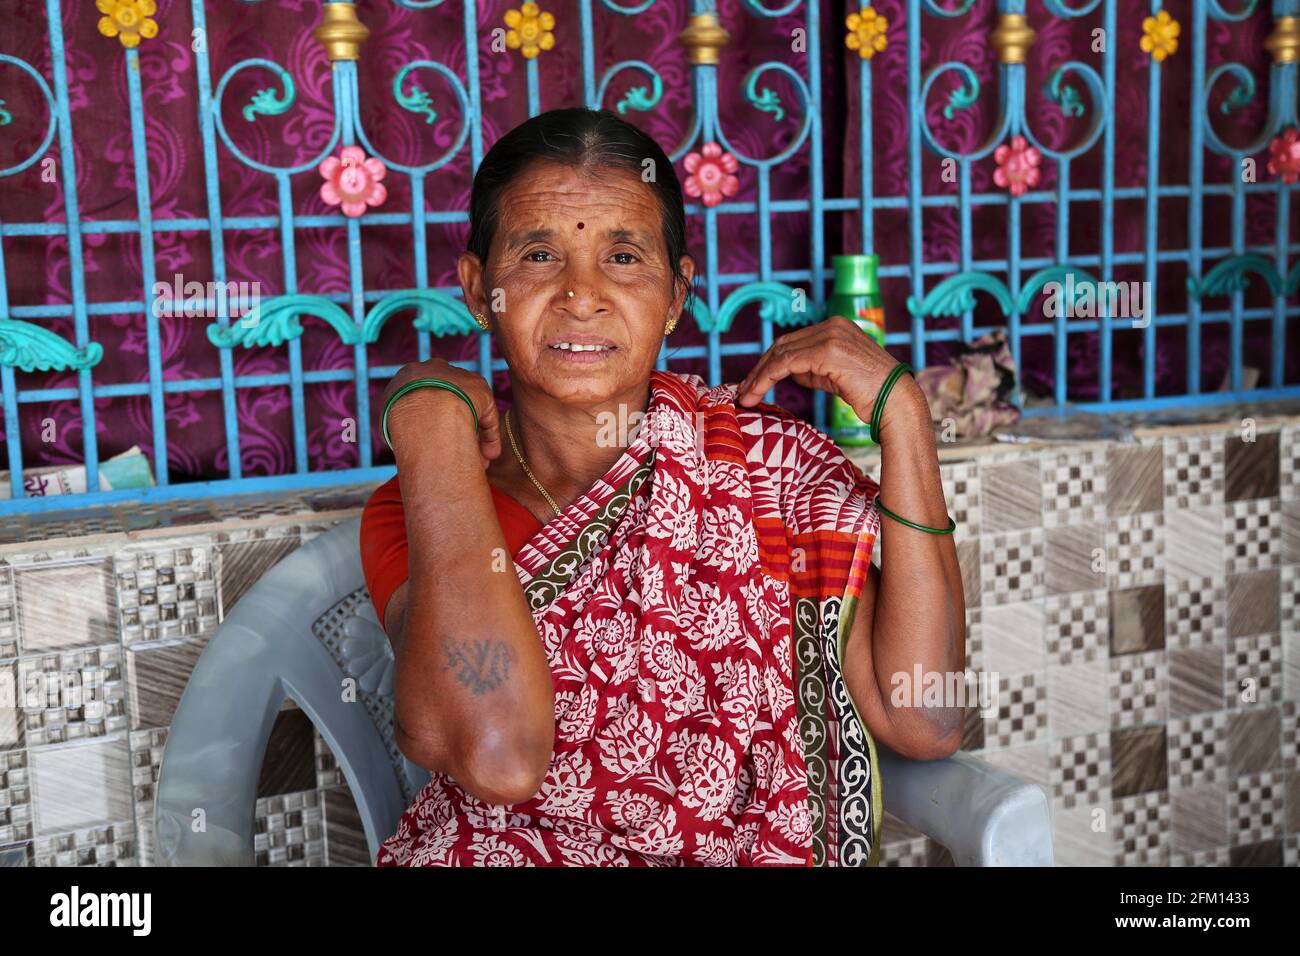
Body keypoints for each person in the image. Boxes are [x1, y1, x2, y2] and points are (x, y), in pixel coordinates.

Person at [359, 107, 965, 867]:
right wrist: (430, 429)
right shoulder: (426, 504)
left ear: (676, 294)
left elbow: (928, 719)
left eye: (623, 257)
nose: (583, 295)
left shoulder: (760, 472)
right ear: (481, 291)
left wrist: (906, 419)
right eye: (540, 254)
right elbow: (498, 758)